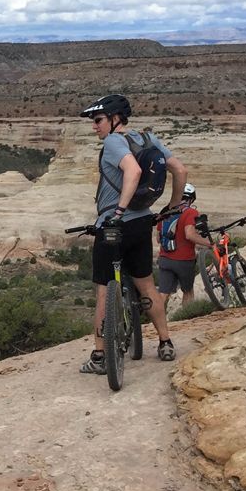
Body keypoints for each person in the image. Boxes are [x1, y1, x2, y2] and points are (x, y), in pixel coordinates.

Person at [77, 94, 189, 373]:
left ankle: (100, 357)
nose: (95, 126)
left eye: (99, 120)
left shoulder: (114, 142)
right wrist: (173, 207)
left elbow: (133, 170)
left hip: (114, 225)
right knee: (147, 286)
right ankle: (165, 342)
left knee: (103, 289)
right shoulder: (147, 139)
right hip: (142, 224)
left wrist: (118, 211)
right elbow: (180, 169)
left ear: (115, 118)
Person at [156, 183, 214, 308]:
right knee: (187, 291)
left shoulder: (166, 211)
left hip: (165, 259)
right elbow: (190, 235)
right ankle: (187, 317)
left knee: (163, 293)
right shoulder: (190, 212)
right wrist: (209, 244)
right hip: (184, 260)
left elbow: (158, 238)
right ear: (191, 198)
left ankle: (156, 322)